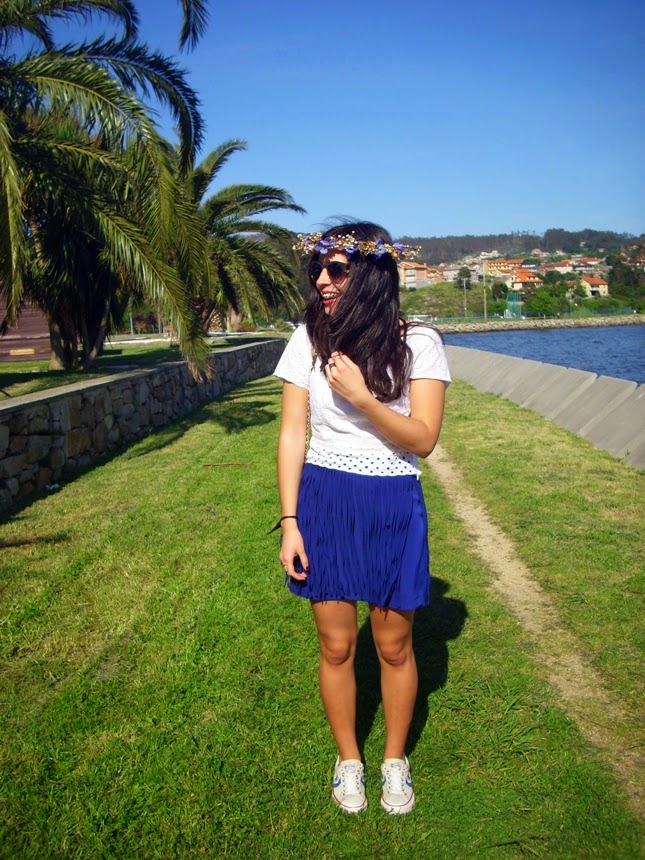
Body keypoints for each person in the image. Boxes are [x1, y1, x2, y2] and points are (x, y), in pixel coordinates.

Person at [273, 222, 451, 815]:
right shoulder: (309, 339)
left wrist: (361, 397)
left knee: (394, 646)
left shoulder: (417, 342)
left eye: (337, 270)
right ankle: (349, 759)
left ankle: (394, 760)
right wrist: (290, 521)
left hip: (392, 499)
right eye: (318, 269)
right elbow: (293, 434)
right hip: (324, 499)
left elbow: (423, 439)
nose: (322, 281)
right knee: (336, 644)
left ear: (371, 275)